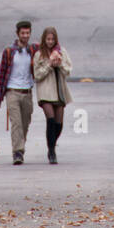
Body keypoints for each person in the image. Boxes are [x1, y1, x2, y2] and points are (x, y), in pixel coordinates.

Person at [0, 19, 39, 165]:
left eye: (28, 33)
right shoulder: (9, 52)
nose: (25, 36)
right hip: (12, 91)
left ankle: (20, 147)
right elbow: (1, 75)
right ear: (17, 34)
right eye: (23, 33)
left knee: (25, 123)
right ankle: (17, 152)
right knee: (16, 123)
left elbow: (51, 44)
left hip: (27, 91)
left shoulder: (33, 50)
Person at [33, 26, 72, 164]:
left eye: (52, 39)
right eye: (48, 39)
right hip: (45, 90)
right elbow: (37, 75)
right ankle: (51, 151)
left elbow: (68, 70)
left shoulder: (62, 52)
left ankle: (52, 143)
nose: (50, 42)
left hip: (59, 90)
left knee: (58, 124)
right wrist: (49, 64)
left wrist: (59, 64)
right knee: (50, 119)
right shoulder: (39, 55)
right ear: (44, 39)